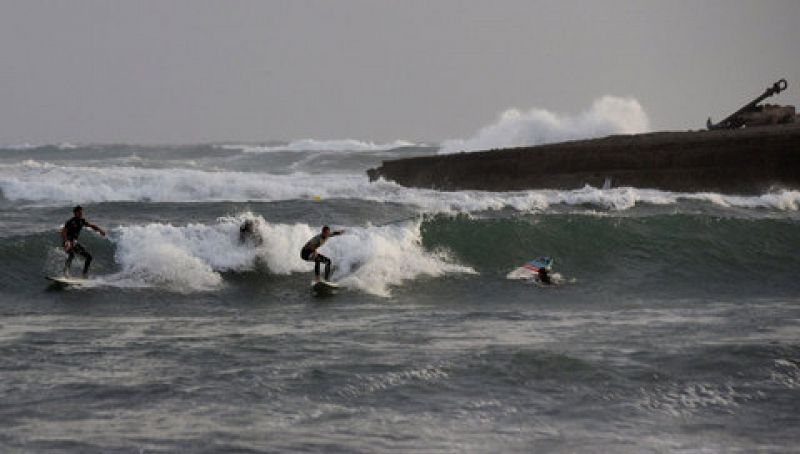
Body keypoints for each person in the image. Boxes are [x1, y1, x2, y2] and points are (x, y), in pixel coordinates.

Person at [61, 205, 106, 278]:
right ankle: (66, 271)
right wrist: (66, 241)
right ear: (75, 213)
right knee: (71, 254)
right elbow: (63, 232)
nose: (81, 214)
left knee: (89, 257)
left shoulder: (82, 221)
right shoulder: (70, 222)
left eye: (81, 213)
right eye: (79, 212)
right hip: (68, 242)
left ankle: (84, 274)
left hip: (74, 242)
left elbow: (92, 226)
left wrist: (100, 230)